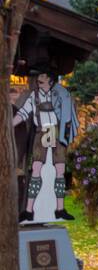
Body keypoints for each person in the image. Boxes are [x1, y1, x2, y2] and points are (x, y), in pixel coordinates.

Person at [12, 69, 78, 223]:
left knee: (59, 171)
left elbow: (67, 114)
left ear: (50, 80)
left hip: (56, 133)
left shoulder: (59, 96)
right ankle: (29, 211)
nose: (39, 80)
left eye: (42, 76)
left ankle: (59, 209)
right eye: (38, 77)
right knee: (36, 169)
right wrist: (10, 124)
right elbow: (22, 113)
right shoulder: (33, 97)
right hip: (42, 133)